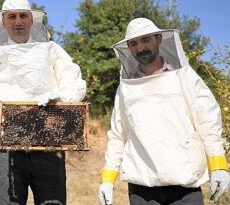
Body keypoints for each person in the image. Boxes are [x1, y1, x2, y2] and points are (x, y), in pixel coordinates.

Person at [0, 0, 86, 205]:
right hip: (4, 146)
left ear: (32, 20)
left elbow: (75, 85)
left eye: (23, 16)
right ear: (3, 22)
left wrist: (60, 99)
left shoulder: (52, 50)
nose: (18, 22)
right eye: (12, 17)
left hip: (48, 142)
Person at [98, 17, 230, 204]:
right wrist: (107, 179)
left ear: (159, 39)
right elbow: (118, 135)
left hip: (184, 184)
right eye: (133, 43)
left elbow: (207, 122)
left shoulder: (183, 76)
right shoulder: (126, 86)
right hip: (142, 187)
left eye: (146, 40)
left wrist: (218, 166)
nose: (140, 48)